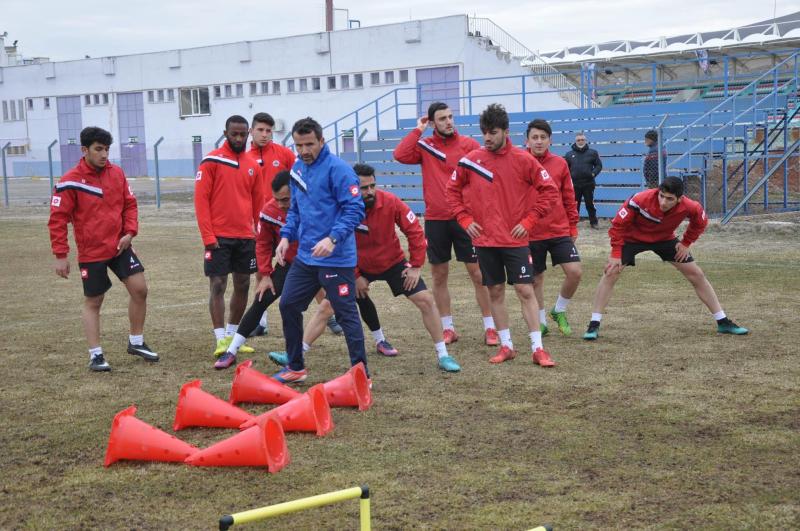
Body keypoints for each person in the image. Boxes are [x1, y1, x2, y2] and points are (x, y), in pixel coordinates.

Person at [269, 164, 462, 373]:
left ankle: (443, 355)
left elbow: (415, 231)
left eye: (372, 186)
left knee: (425, 300)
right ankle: (295, 354)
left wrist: (415, 266)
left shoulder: (390, 202)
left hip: (392, 262)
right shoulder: (341, 209)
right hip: (356, 266)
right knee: (326, 307)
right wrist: (356, 275)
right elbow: (335, 245)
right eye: (363, 188)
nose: (369, 192)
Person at [447, 104, 560, 367]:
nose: (487, 138)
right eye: (484, 132)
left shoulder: (523, 159)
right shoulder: (471, 160)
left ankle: (538, 348)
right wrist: (464, 218)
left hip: (514, 240)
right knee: (495, 291)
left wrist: (530, 220)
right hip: (485, 241)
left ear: (506, 132)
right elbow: (451, 190)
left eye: (493, 132)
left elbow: (549, 191)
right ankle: (506, 345)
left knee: (525, 289)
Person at [582, 176, 749, 340]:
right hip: (632, 239)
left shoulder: (691, 206)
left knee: (696, 274)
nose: (663, 202)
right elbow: (618, 225)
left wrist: (686, 243)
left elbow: (700, 222)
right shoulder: (639, 199)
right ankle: (593, 324)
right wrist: (616, 254)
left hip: (664, 239)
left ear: (679, 199)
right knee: (611, 273)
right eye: (661, 196)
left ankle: (722, 321)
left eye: (669, 199)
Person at [48, 126, 159, 371]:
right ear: (84, 150)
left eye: (107, 149)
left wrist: (129, 233)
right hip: (92, 251)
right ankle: (96, 355)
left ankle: (136, 342)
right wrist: (60, 255)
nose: (104, 155)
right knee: (94, 301)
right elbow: (57, 219)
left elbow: (130, 205)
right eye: (99, 149)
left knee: (140, 289)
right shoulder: (69, 181)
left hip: (120, 246)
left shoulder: (116, 174)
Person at [394, 101, 497, 346]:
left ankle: (490, 327)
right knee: (439, 275)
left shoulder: (469, 145)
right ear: (432, 123)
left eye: (450, 117)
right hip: (436, 220)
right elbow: (399, 154)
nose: (448, 122)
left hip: (465, 219)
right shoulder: (425, 146)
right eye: (442, 118)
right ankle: (448, 327)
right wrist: (418, 130)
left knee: (478, 273)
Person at [272, 117, 368, 383]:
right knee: (288, 303)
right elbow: (295, 210)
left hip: (336, 259)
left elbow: (355, 209)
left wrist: (332, 239)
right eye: (298, 145)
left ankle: (361, 375)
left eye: (309, 144)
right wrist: (285, 237)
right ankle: (296, 367)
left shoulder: (339, 170)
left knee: (346, 313)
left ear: (322, 141)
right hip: (306, 257)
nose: (304, 151)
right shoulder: (297, 169)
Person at [194, 115, 264, 358]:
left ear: (248, 134)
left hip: (246, 237)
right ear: (226, 133)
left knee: (243, 284)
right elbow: (201, 201)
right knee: (218, 285)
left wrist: (257, 233)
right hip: (219, 237)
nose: (238, 138)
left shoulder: (253, 165)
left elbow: (258, 203)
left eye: (242, 134)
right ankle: (219, 338)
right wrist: (207, 235)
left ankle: (235, 336)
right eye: (234, 134)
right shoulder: (211, 160)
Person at [214, 171, 297, 369]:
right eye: (277, 200)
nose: (280, 205)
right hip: (292, 264)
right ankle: (231, 350)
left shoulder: (314, 204)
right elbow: (262, 244)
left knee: (339, 305)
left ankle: (366, 352)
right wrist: (266, 274)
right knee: (263, 298)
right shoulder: (270, 211)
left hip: (320, 262)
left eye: (285, 199)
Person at [526, 119, 582, 336]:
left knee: (575, 272)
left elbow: (568, 195)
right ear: (527, 140)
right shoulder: (520, 161)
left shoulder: (559, 163)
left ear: (550, 140)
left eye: (543, 137)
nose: (539, 142)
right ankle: (541, 322)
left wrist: (573, 225)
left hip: (559, 230)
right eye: (535, 137)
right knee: (536, 278)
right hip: (531, 232)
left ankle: (559, 310)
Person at [246, 112, 295, 338]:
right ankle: (261, 321)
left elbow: (299, 179)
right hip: (261, 223)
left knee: (305, 267)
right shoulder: (245, 158)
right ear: (251, 131)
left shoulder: (284, 153)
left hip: (289, 222)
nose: (265, 135)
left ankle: (330, 316)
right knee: (262, 271)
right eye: (260, 130)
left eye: (269, 130)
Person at [564, 132, 602, 228]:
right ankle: (573, 223)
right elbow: (565, 169)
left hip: (588, 183)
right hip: (575, 184)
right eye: (578, 140)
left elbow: (599, 165)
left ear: (585, 140)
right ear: (575, 141)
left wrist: (593, 173)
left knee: (590, 204)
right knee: (574, 205)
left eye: (582, 140)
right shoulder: (569, 154)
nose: (580, 141)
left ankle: (594, 222)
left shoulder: (593, 153)